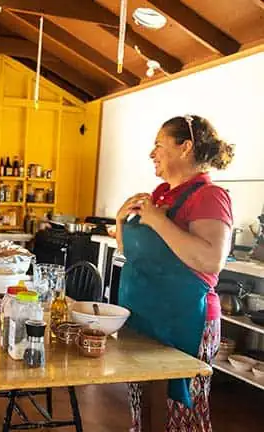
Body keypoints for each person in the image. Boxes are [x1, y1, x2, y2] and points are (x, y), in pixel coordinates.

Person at [116, 115, 234, 432]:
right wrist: (119, 220)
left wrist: (156, 220)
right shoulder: (161, 195)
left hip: (184, 322)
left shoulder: (210, 196)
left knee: (178, 412)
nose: (151, 153)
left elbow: (210, 259)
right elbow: (135, 253)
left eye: (159, 144)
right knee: (146, 407)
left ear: (185, 148)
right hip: (146, 318)